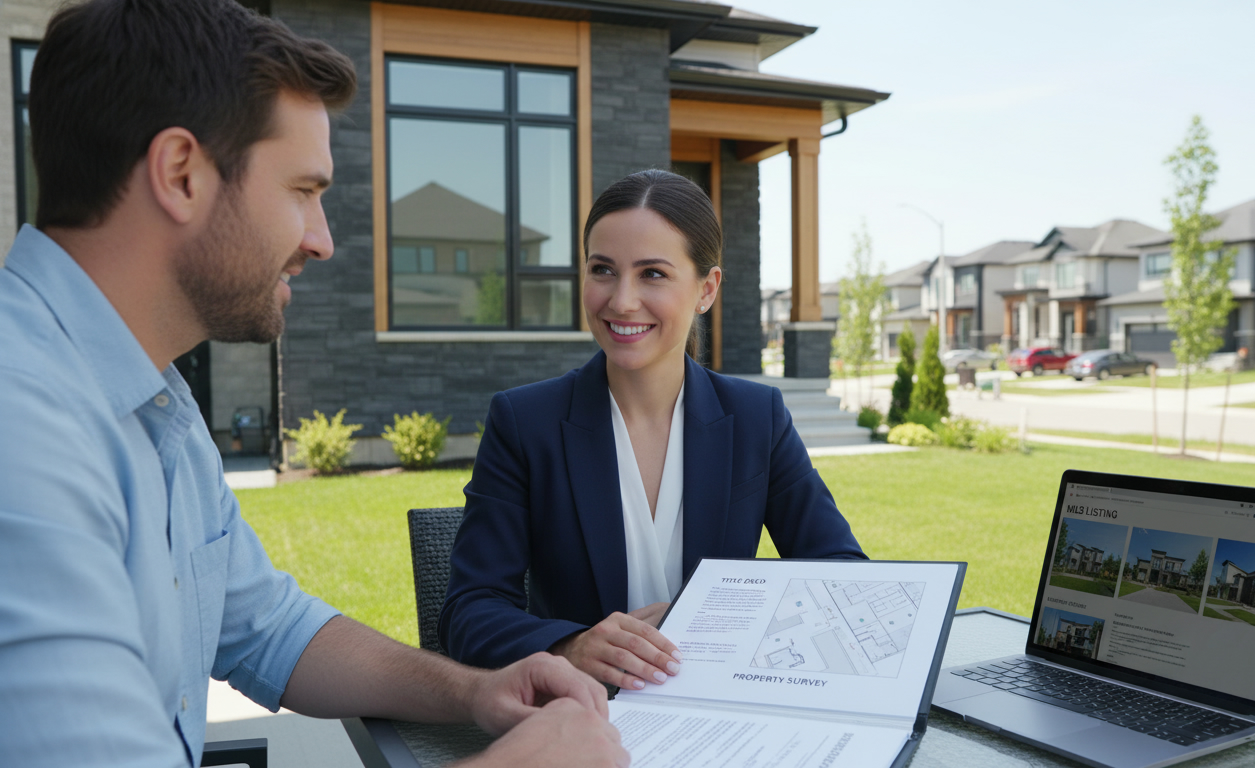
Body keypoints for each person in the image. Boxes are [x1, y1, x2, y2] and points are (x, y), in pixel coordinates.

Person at [0, 2, 626, 767]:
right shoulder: (21, 425)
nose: (322, 241)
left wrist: (471, 691)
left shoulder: (153, 400)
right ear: (181, 174)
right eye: (303, 190)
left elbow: (269, 627)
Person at [440, 170, 866, 691]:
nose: (621, 301)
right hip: (583, 721)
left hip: (725, 717)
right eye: (603, 270)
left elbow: (843, 576)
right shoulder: (524, 423)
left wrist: (727, 620)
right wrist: (570, 646)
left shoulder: (759, 418)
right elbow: (469, 612)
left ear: (706, 290)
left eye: (653, 274)